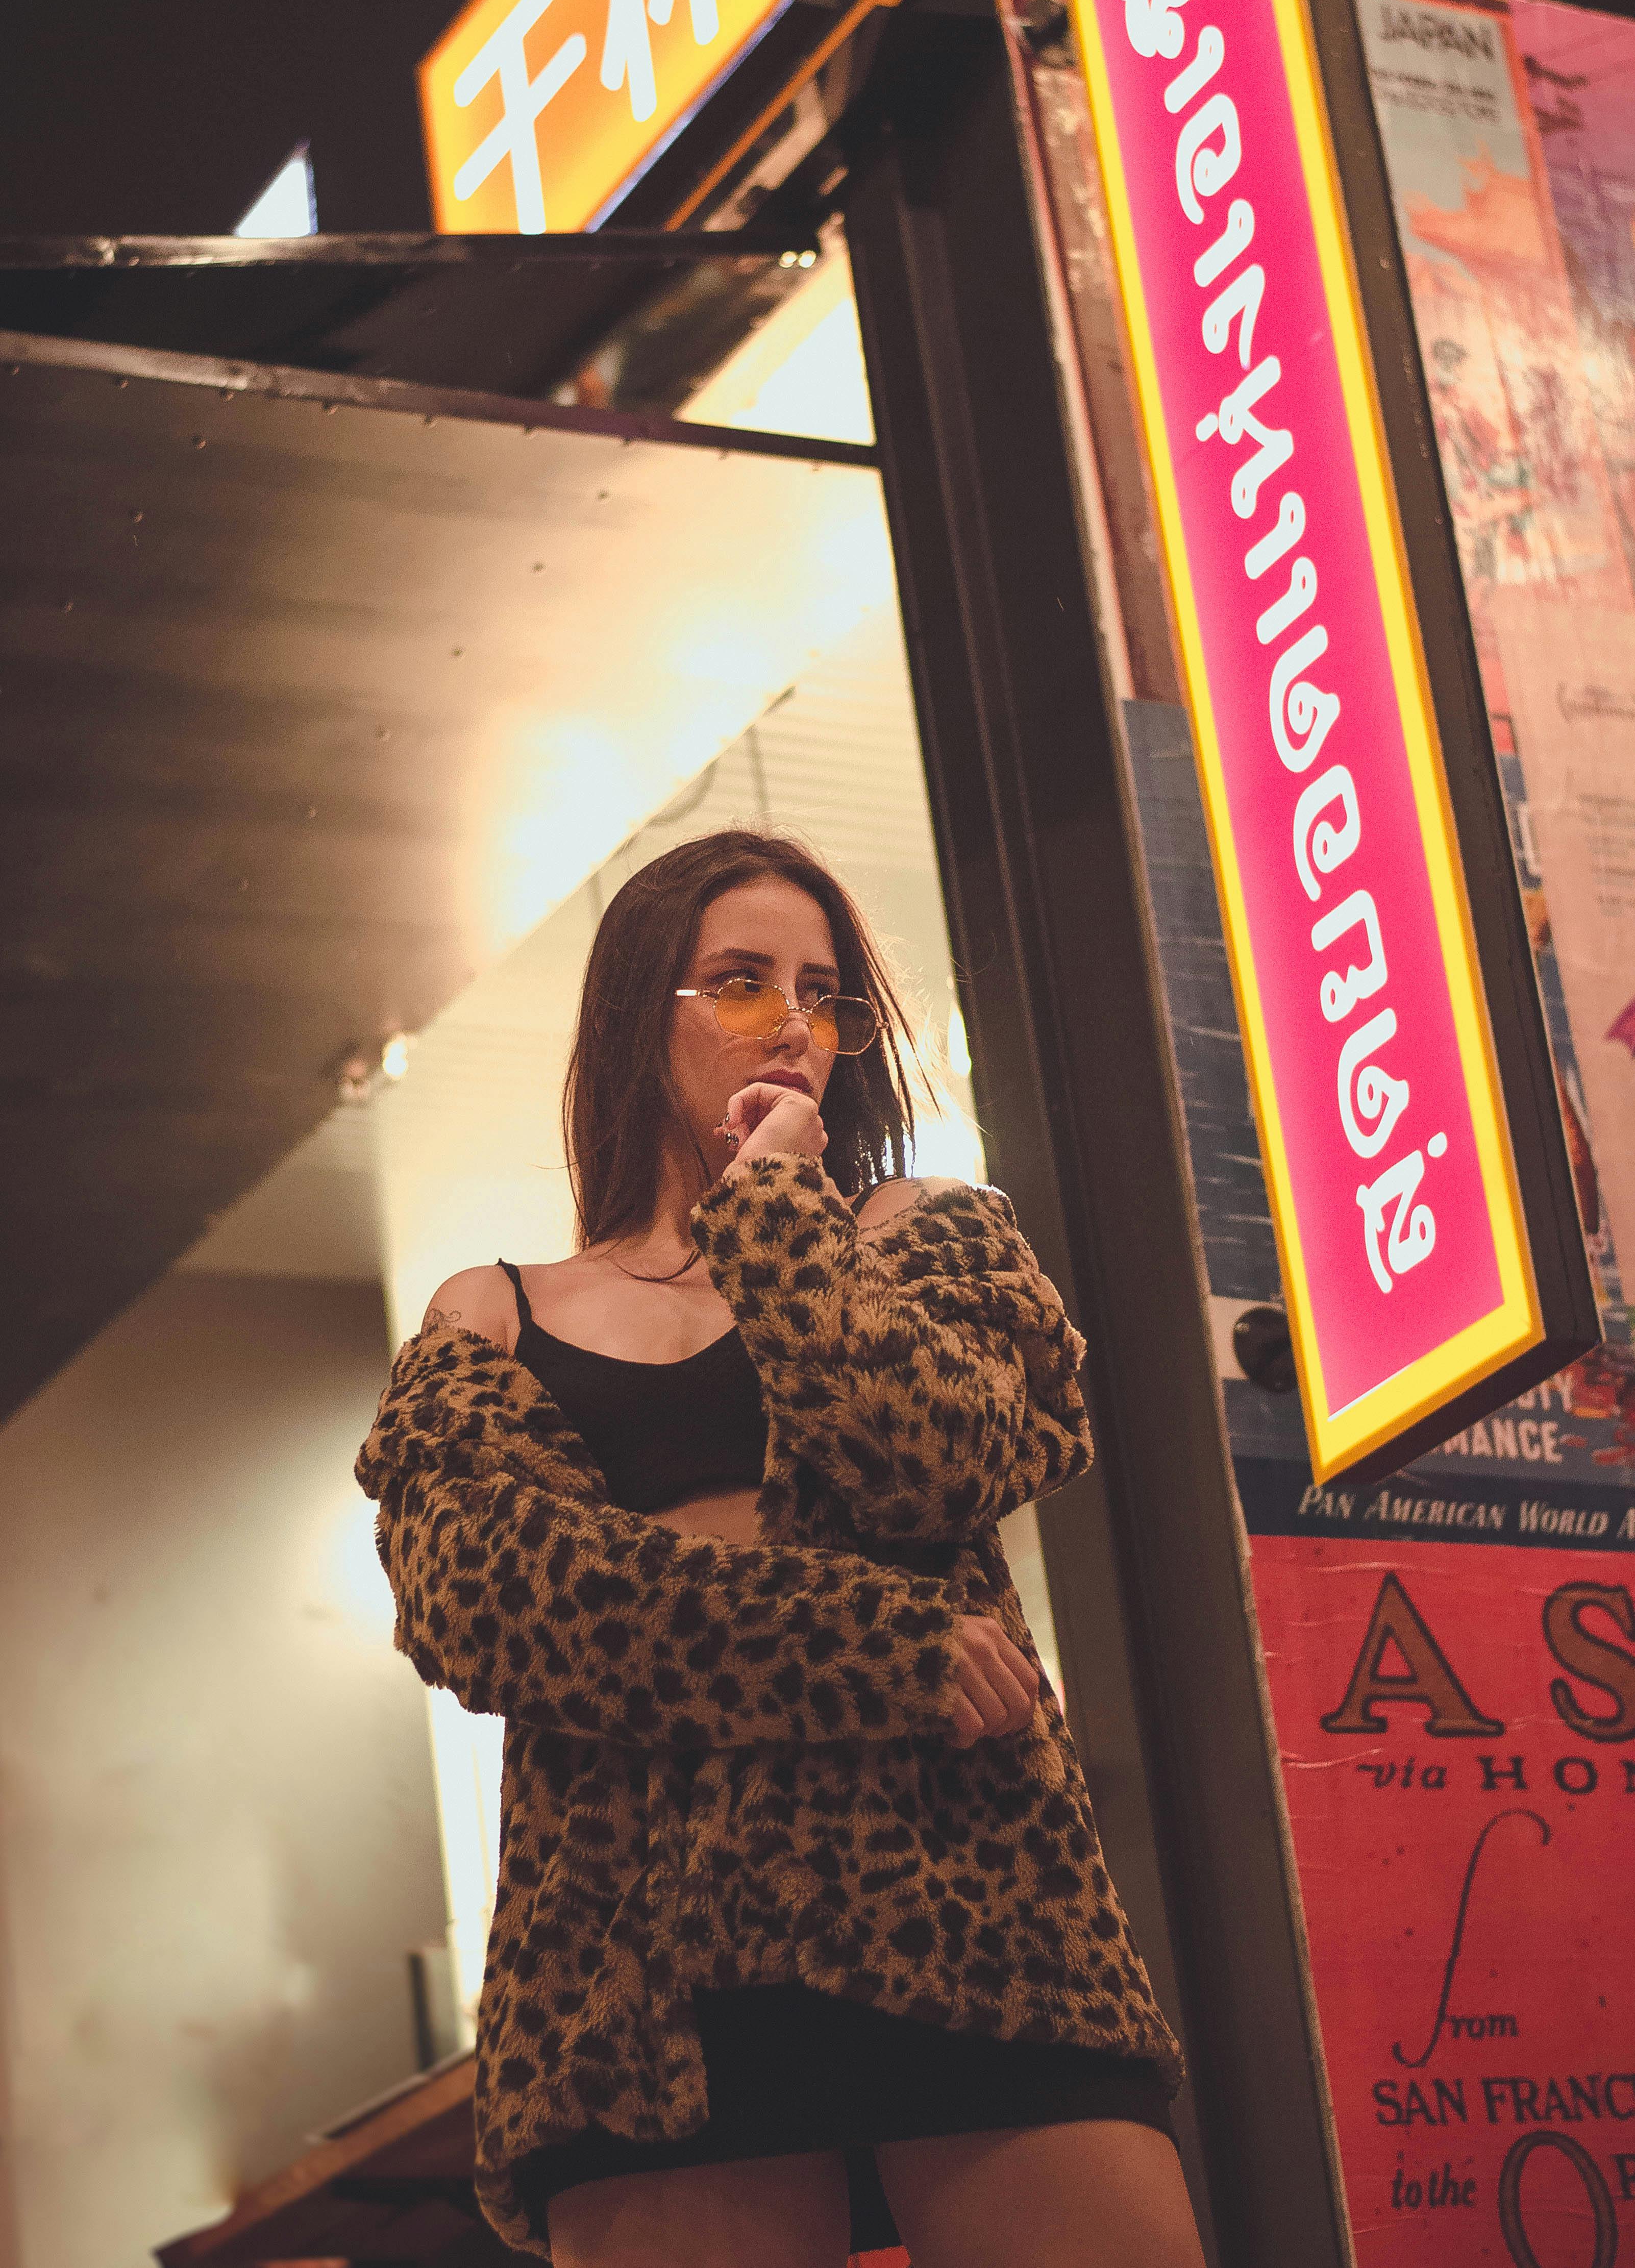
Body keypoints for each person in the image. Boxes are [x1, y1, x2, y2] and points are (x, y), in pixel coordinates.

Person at [357, 828, 1203, 2268]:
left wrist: (771, 1207)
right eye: (739, 982)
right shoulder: (490, 1313)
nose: (793, 1024)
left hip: (968, 1903)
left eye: (822, 992)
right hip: (639, 1965)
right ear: (639, 1016)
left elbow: (931, 1462)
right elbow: (501, 1606)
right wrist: (881, 1650)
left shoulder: (926, 1232)